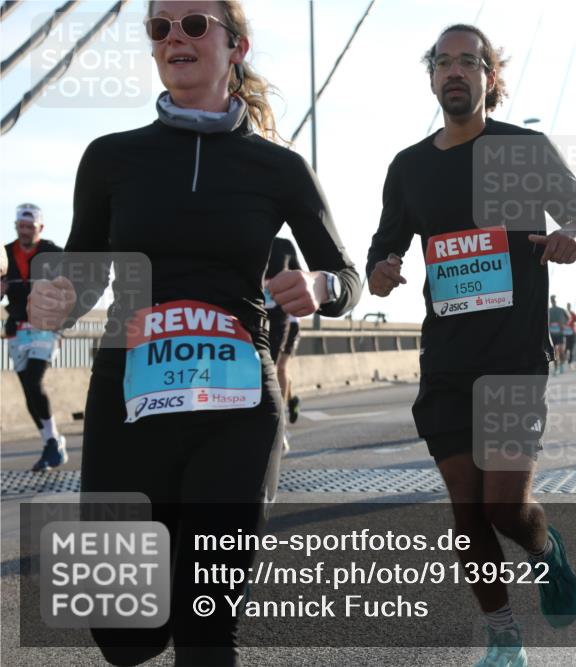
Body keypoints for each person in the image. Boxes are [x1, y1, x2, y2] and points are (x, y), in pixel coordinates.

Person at [28, 3, 360, 664]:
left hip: (236, 407)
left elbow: (345, 274)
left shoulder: (279, 169)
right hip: (129, 399)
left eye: (194, 24)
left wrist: (321, 288)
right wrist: (58, 295)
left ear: (236, 45)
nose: (176, 36)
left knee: (207, 619)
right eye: (161, 27)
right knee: (126, 633)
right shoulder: (111, 159)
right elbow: (88, 273)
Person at [366, 23, 576, 665]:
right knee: (467, 514)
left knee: (503, 509)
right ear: (432, 77)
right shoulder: (410, 167)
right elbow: (382, 245)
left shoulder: (523, 151)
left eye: (467, 62)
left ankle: (547, 550)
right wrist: (381, 270)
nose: (454, 72)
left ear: (489, 77)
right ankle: (503, 638)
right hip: (446, 362)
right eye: (443, 63)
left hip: (512, 360)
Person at [2, 203, 68, 472]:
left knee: (34, 380)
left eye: (30, 227)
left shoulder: (54, 253)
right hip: (17, 328)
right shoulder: (5, 254)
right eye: (21, 226)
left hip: (45, 325)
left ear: (40, 228)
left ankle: (52, 442)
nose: (25, 231)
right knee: (28, 391)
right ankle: (51, 441)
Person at [264, 236, 304, 453]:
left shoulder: (284, 246)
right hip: (254, 317)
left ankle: (279, 427)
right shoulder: (244, 237)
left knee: (278, 367)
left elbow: (301, 275)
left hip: (285, 320)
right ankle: (290, 400)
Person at [548, 295, 568, 374]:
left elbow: (568, 318)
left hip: (560, 333)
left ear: (556, 301)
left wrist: (564, 324)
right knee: (555, 351)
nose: (553, 301)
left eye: (554, 300)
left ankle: (562, 365)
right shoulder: (548, 310)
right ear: (551, 301)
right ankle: (556, 368)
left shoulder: (561, 310)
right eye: (552, 300)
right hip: (552, 334)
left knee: (561, 350)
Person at [564, 302, 576, 368]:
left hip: (572, 333)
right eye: (567, 306)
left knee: (571, 349)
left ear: (570, 306)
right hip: (565, 333)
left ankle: (570, 362)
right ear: (566, 306)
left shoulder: (573, 313)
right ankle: (563, 360)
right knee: (566, 348)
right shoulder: (564, 313)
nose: (568, 307)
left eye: (569, 306)